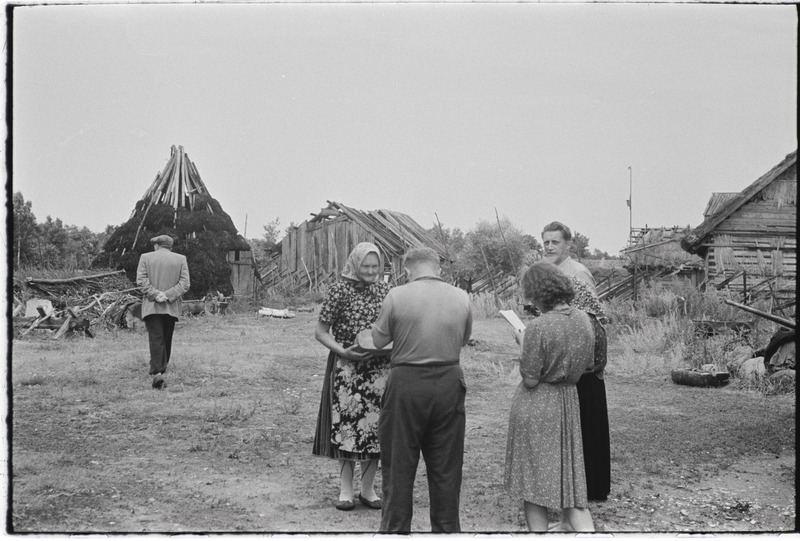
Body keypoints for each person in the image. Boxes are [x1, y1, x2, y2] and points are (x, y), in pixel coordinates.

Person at [371, 246, 472, 533]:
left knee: (399, 465)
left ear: (407, 270)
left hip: (407, 383)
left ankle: (395, 530)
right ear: (438, 268)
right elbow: (464, 339)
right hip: (449, 382)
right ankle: (447, 532)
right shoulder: (462, 297)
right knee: (446, 467)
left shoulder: (396, 295)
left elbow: (377, 341)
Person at [504, 262, 595, 532]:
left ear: (537, 293)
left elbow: (531, 379)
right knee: (571, 483)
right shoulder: (584, 319)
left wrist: (523, 344)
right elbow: (589, 365)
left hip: (538, 404)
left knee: (533, 485)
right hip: (568, 401)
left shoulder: (538, 327)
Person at [312, 242, 391, 511]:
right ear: (355, 264)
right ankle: (346, 490)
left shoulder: (386, 291)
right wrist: (343, 351)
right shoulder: (339, 290)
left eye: (375, 266)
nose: (370, 271)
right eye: (365, 266)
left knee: (375, 430)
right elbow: (321, 332)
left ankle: (368, 490)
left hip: (380, 370)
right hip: (348, 368)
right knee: (346, 429)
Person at [541, 221, 611, 503]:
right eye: (545, 242)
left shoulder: (577, 273)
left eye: (555, 242)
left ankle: (591, 488)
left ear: (568, 245)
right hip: (563, 360)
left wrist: (584, 363)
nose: (549, 247)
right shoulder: (553, 272)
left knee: (587, 425)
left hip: (582, 365)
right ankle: (572, 486)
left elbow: (591, 322)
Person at [136, 234, 191, 390]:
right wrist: (168, 295)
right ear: (170, 247)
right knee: (166, 337)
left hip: (152, 306)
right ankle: (161, 367)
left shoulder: (145, 257)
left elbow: (141, 280)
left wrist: (155, 294)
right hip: (171, 306)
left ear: (157, 245)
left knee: (156, 338)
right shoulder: (181, 259)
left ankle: (157, 372)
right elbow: (185, 283)